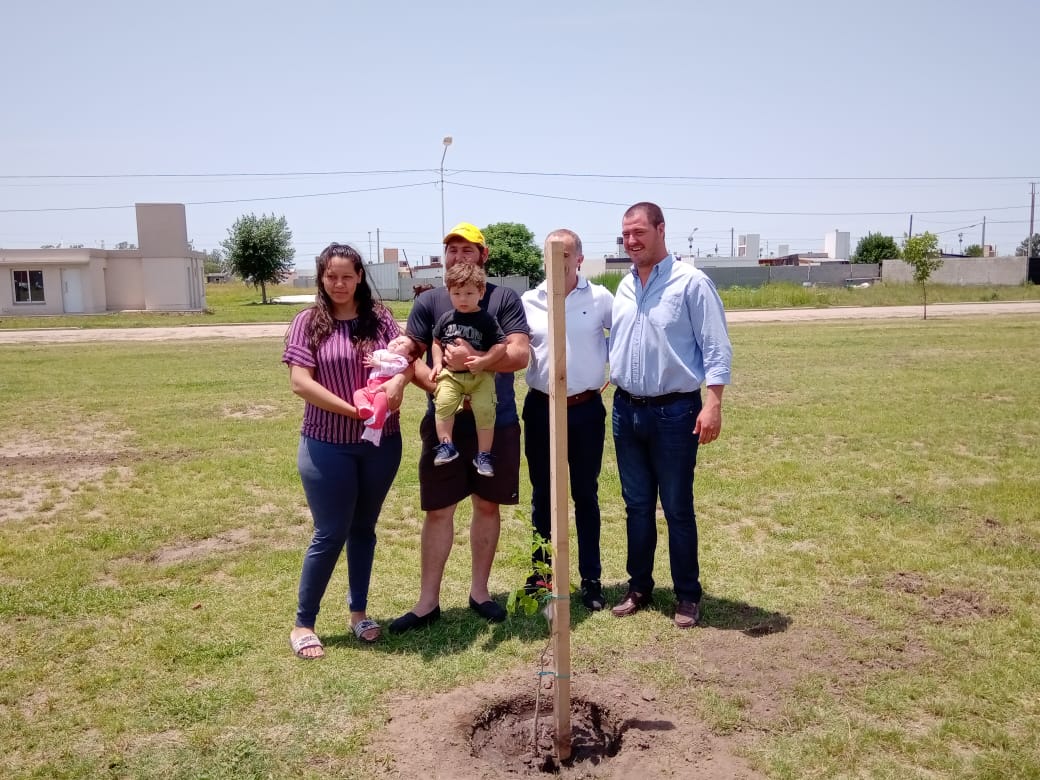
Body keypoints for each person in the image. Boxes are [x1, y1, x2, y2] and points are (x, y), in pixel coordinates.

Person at [389, 222, 530, 633]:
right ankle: (427, 602)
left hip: (495, 418)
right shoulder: (430, 300)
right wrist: (432, 380)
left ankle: (480, 593)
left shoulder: (503, 298)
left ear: (483, 256)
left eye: (467, 249)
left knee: (487, 504)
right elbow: (411, 350)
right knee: (439, 509)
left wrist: (476, 360)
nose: (458, 256)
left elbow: (519, 353)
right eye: (451, 249)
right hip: (445, 420)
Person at [284, 242, 412, 659]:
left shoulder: (381, 319)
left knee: (364, 529)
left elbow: (405, 359)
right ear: (322, 278)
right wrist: (352, 410)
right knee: (330, 531)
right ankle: (304, 623)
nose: (339, 283)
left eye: (347, 276)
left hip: (380, 444)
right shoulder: (308, 322)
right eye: (331, 276)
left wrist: (397, 383)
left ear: (360, 277)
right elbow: (301, 382)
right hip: (327, 444)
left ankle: (359, 614)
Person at [608, 203, 732, 629]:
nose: (631, 241)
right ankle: (639, 586)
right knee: (636, 505)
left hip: (676, 412)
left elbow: (716, 347)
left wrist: (713, 402)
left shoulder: (691, 283)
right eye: (625, 234)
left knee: (677, 506)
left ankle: (687, 595)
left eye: (639, 231)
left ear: (661, 230)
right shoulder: (622, 287)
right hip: (626, 411)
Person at [521, 228, 613, 611]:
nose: (558, 262)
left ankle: (591, 579)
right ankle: (542, 577)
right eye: (551, 255)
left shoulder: (600, 298)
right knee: (543, 494)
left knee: (585, 494)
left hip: (585, 410)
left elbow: (623, 337)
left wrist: (607, 375)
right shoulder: (529, 301)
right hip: (542, 407)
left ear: (578, 258)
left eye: (566, 255)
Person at [430, 262, 507, 476]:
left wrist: (484, 361)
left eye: (469, 293)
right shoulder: (446, 318)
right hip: (452, 376)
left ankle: (484, 455)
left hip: (480, 376)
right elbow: (436, 341)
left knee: (485, 410)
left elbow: (501, 344)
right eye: (457, 293)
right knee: (443, 404)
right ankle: (446, 446)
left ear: (481, 292)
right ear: (449, 292)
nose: (463, 299)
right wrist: (437, 363)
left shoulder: (486, 319)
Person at [353, 334, 413, 446]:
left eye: (401, 344)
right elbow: (372, 355)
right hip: (371, 386)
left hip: (384, 386)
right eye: (396, 340)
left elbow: (394, 368)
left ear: (408, 357)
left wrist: (379, 363)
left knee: (381, 398)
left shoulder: (401, 360)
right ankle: (364, 407)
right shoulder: (383, 352)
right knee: (358, 393)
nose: (396, 343)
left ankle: (376, 421)